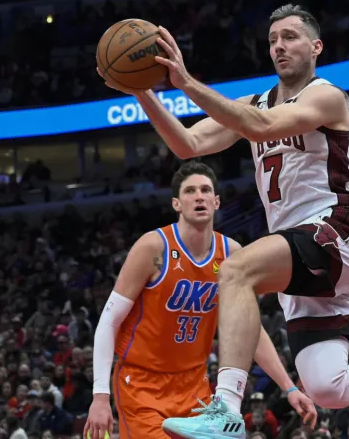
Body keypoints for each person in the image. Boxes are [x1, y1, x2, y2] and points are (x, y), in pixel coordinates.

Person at [97, 8, 349, 438]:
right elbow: (187, 145)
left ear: (315, 47)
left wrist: (185, 83)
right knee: (327, 386)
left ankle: (224, 406)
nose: (279, 45)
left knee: (236, 270)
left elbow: (261, 128)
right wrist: (143, 91)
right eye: (273, 39)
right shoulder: (252, 103)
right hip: (297, 253)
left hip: (335, 231)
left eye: (291, 37)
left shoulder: (327, 97)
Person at [82, 162, 314, 439]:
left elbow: (249, 331)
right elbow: (109, 320)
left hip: (195, 384)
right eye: (190, 191)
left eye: (205, 190)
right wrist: (99, 396)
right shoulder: (152, 247)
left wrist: (289, 387)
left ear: (216, 202)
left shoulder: (232, 255)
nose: (199, 196)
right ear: (177, 204)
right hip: (141, 384)